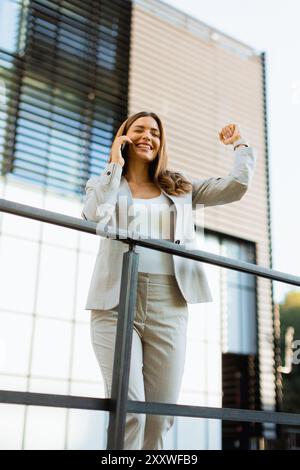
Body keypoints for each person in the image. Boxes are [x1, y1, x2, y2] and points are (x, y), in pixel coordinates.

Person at [81, 111, 256, 450]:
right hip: (116, 301)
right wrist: (114, 164)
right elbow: (92, 214)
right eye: (139, 130)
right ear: (124, 136)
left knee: (159, 417)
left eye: (155, 132)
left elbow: (235, 188)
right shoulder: (103, 182)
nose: (148, 136)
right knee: (129, 410)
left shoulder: (180, 187)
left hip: (169, 302)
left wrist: (240, 144)